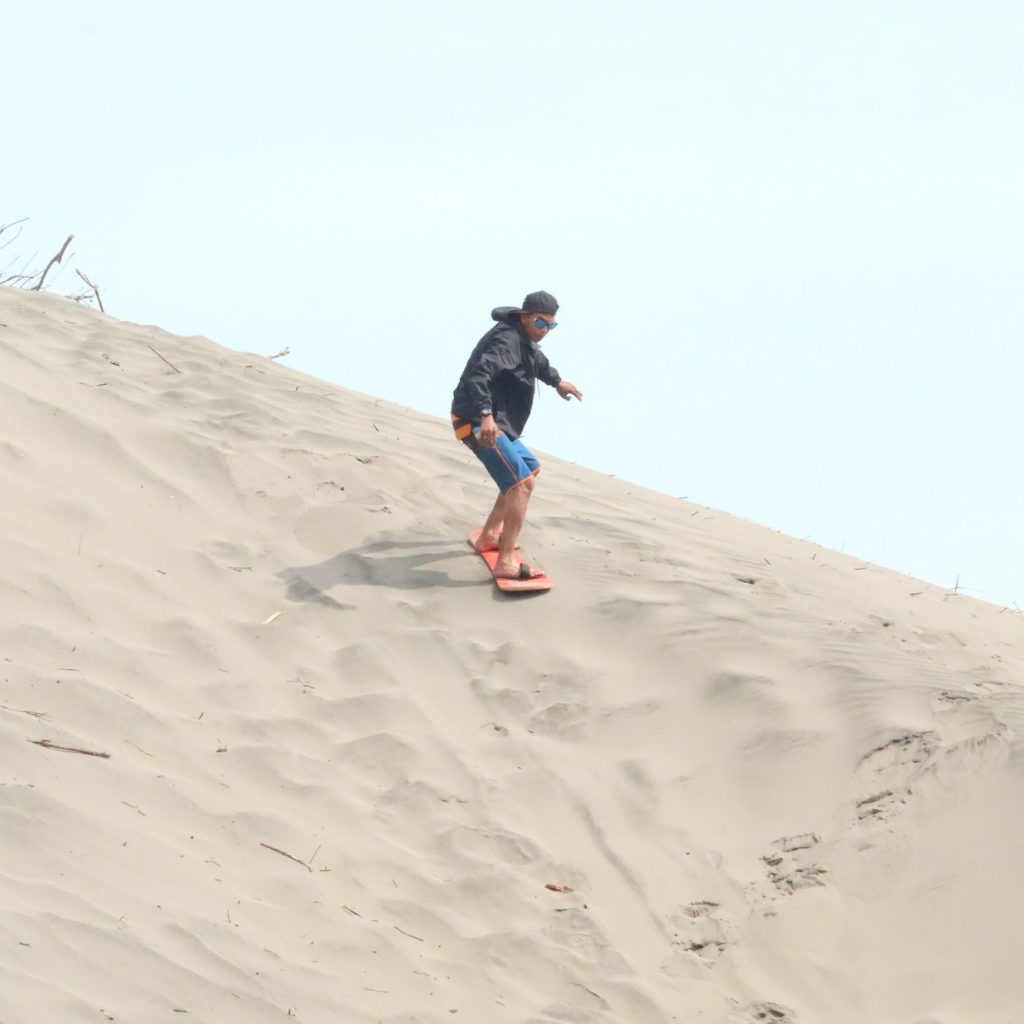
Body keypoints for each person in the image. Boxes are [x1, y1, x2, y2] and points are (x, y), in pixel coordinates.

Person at [451, 290, 583, 580]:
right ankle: (506, 561)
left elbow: (536, 360)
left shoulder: (522, 338)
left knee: (529, 472)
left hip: (495, 421)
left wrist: (558, 382)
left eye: (551, 325)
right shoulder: (506, 341)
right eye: (541, 324)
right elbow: (478, 376)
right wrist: (485, 416)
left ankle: (489, 536)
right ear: (525, 317)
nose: (545, 331)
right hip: (476, 420)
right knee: (520, 485)